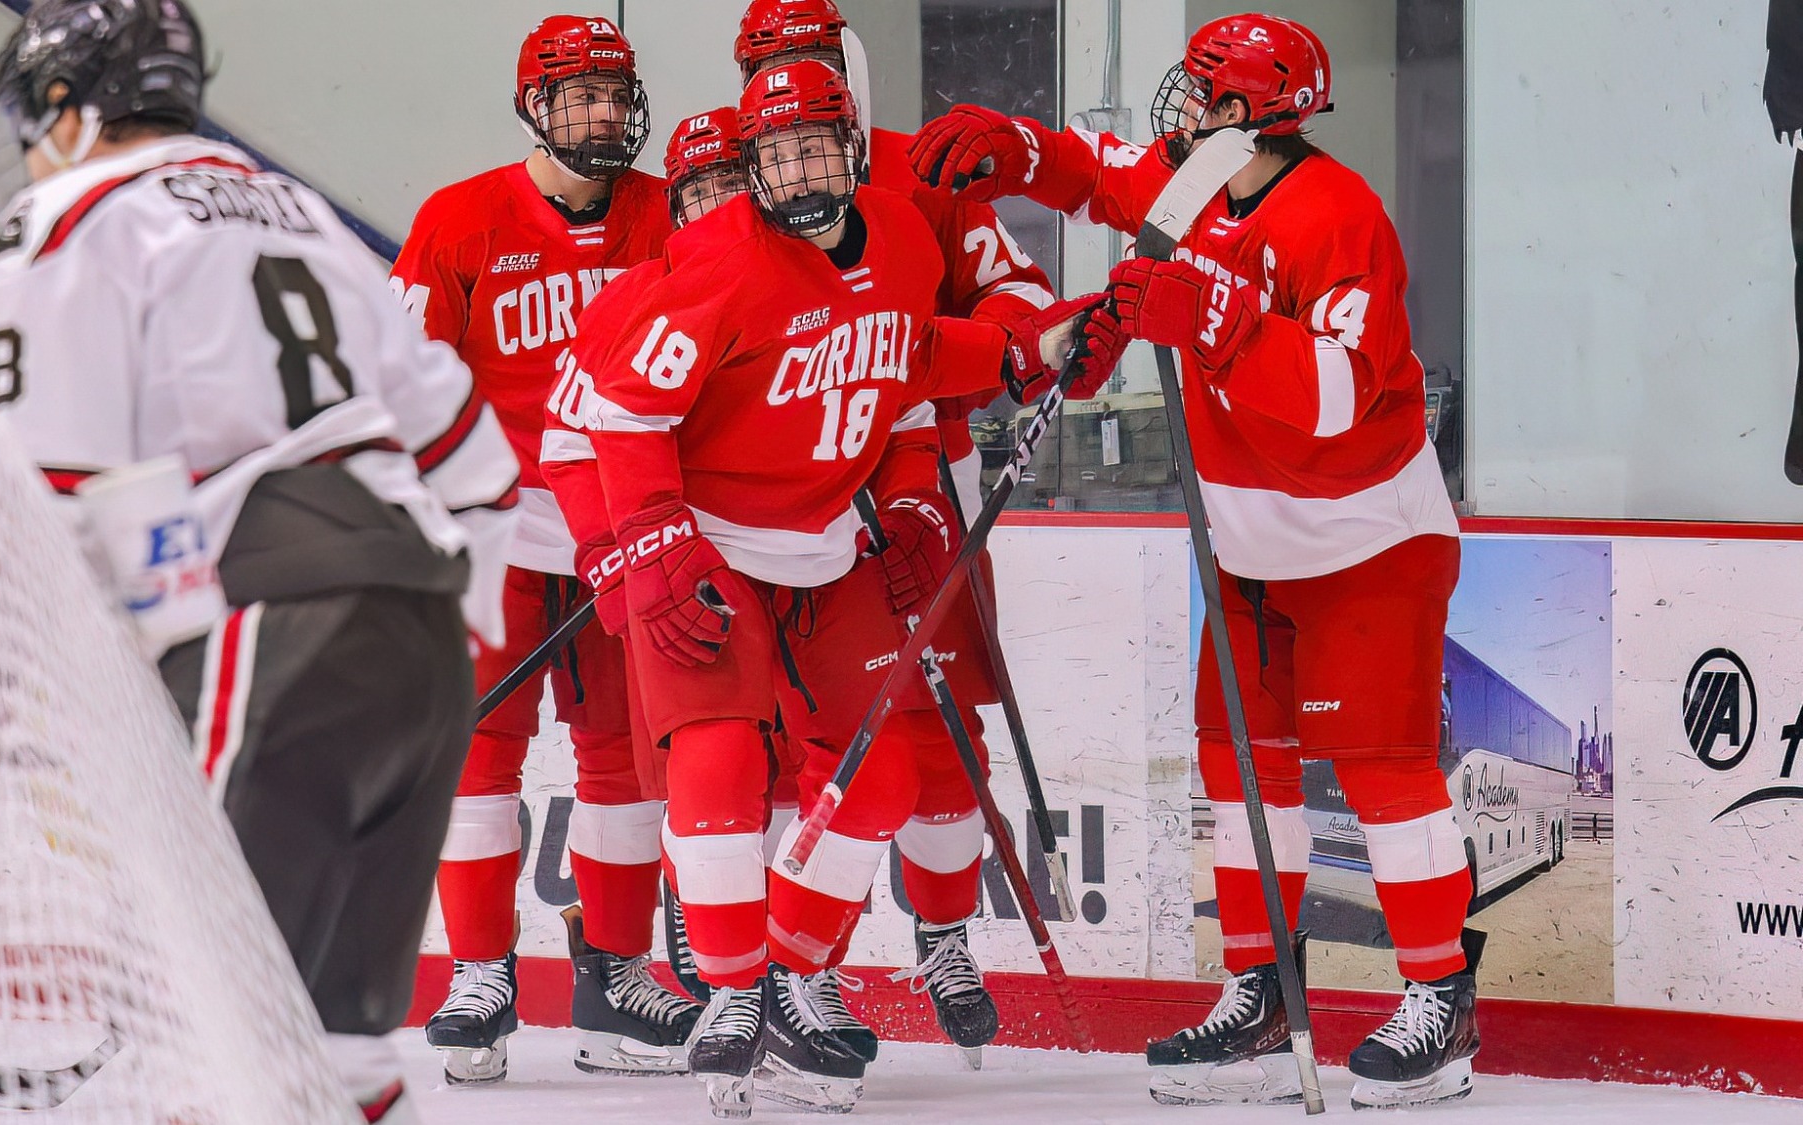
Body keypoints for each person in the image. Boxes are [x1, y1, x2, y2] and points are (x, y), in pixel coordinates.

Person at [911, 12, 1482, 1110]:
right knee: (1239, 770)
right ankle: (1260, 993)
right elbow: (1094, 177)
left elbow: (1332, 394)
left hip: (1366, 537)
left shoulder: (1337, 214)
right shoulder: (1193, 187)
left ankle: (1437, 1002)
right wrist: (1014, 149)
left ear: (1248, 112)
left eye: (1202, 95)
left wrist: (1210, 322)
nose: (1179, 114)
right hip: (1246, 540)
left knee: (1380, 769)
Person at [0, 2, 516, 1121]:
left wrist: (59, 694)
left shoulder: (66, 225)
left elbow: (42, 491)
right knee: (337, 1053)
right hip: (419, 649)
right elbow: (478, 464)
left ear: (71, 109)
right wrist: (441, 625)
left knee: (201, 1037)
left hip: (273, 627)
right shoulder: (300, 212)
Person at [564, 61, 1115, 1117]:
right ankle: (731, 994)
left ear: (855, 148)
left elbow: (905, 361)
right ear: (752, 169)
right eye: (774, 156)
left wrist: (1030, 349)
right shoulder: (714, 263)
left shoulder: (903, 237)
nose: (796, 172)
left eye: (815, 148)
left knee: (879, 781)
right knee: (719, 758)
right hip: (714, 540)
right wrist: (655, 547)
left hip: (826, 543)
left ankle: (788, 965)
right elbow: (621, 417)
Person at [730, 0, 1124, 1061]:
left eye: (813, 61)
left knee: (941, 741)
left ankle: (941, 936)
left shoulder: (914, 176)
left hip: (921, 494)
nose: (797, 86)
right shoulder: (729, 186)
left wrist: (982, 358)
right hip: (775, 519)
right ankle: (761, 966)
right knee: (785, 755)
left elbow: (1019, 299)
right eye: (773, 65)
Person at [389, 13, 697, 1085]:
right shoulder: (460, 220)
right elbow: (400, 383)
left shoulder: (671, 213)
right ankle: (481, 973)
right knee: (478, 756)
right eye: (578, 96)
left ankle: (614, 983)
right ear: (534, 104)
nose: (603, 114)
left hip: (628, 529)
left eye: (615, 94)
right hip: (496, 536)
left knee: (629, 761)